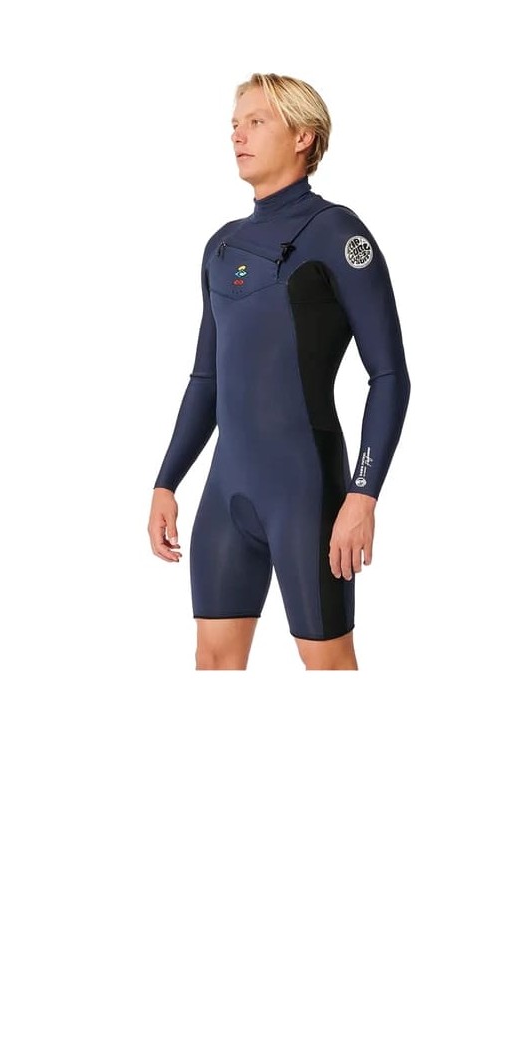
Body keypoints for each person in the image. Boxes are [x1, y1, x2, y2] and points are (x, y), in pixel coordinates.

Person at [148, 73, 411, 670]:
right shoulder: (221, 247)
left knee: (327, 666)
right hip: (226, 493)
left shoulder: (337, 234)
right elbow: (206, 381)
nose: (237, 134)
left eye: (256, 121)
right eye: (234, 123)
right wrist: (166, 482)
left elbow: (390, 375)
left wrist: (363, 494)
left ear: (302, 136)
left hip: (306, 491)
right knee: (213, 662)